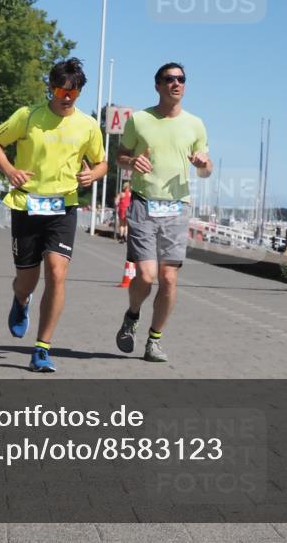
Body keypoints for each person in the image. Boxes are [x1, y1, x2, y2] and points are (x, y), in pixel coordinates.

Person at [0, 58, 107, 372]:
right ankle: (21, 301)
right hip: (27, 205)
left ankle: (41, 348)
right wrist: (10, 170)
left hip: (62, 208)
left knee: (56, 272)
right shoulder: (28, 117)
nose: (66, 97)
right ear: (50, 87)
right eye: (59, 89)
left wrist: (93, 175)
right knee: (26, 281)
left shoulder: (88, 125)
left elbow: (101, 162)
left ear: (80, 92)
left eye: (73, 92)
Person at [114, 63, 212, 362]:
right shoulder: (139, 120)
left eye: (181, 79)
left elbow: (207, 169)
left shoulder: (195, 124)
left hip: (177, 207)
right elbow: (119, 157)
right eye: (169, 79)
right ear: (157, 85)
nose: (176, 83)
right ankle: (132, 315)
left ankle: (153, 341)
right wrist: (132, 162)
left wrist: (202, 164)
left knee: (168, 279)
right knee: (146, 275)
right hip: (144, 202)